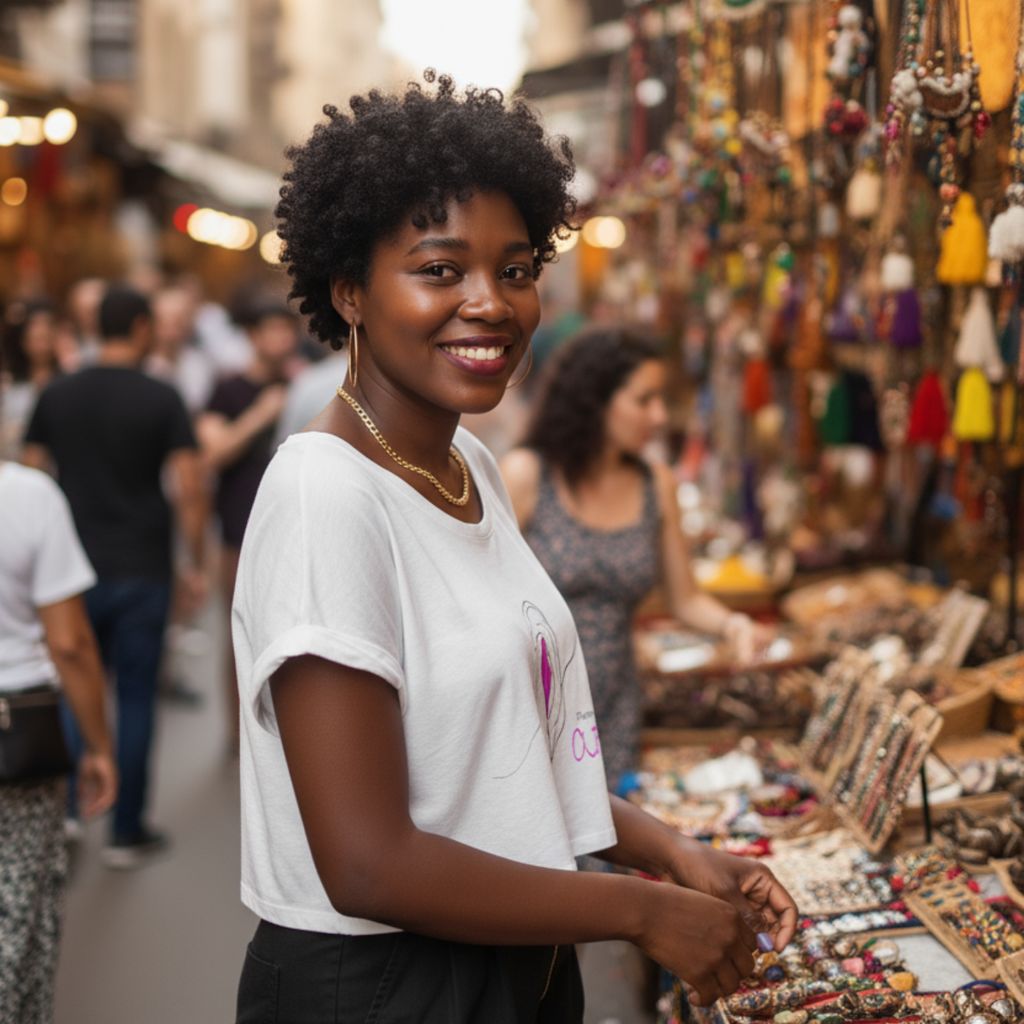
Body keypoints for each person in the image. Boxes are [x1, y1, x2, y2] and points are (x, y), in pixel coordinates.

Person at [232, 73, 796, 1024]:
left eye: (519, 268)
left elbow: (496, 764)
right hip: (385, 989)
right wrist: (639, 912)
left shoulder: (469, 469)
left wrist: (670, 853)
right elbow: (367, 862)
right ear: (349, 291)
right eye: (440, 269)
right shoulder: (326, 493)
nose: (491, 302)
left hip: (512, 965)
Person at [500, 328, 773, 791]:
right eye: (644, 399)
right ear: (596, 399)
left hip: (612, 706)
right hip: (531, 702)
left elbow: (684, 598)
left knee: (608, 845)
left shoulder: (656, 485)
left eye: (662, 399)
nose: (660, 415)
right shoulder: (527, 476)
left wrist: (734, 627)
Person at [21, 285, 207, 868]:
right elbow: (190, 486)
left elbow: (30, 479)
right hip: (143, 568)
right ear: (144, 328)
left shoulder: (57, 394)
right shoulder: (162, 395)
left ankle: (73, 813)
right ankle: (126, 830)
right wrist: (194, 562)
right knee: (135, 696)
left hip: (68, 571)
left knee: (79, 685)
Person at [0, 458, 118, 1023]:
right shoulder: (28, 495)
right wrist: (97, 745)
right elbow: (69, 643)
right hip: (16, 740)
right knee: (18, 913)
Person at [196, 299, 299, 749]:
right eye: (270, 330)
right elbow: (211, 454)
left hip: (295, 528)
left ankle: (286, 738)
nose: (279, 339)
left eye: (285, 330)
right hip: (237, 529)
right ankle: (239, 737)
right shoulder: (228, 389)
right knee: (240, 633)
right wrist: (262, 413)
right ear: (252, 336)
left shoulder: (305, 384)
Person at [0, 300, 59, 460]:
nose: (41, 346)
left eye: (45, 338)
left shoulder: (65, 382)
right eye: (35, 339)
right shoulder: (10, 384)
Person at [146, 285, 216, 416]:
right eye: (167, 317)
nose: (175, 326)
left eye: (181, 318)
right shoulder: (139, 364)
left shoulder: (200, 362)